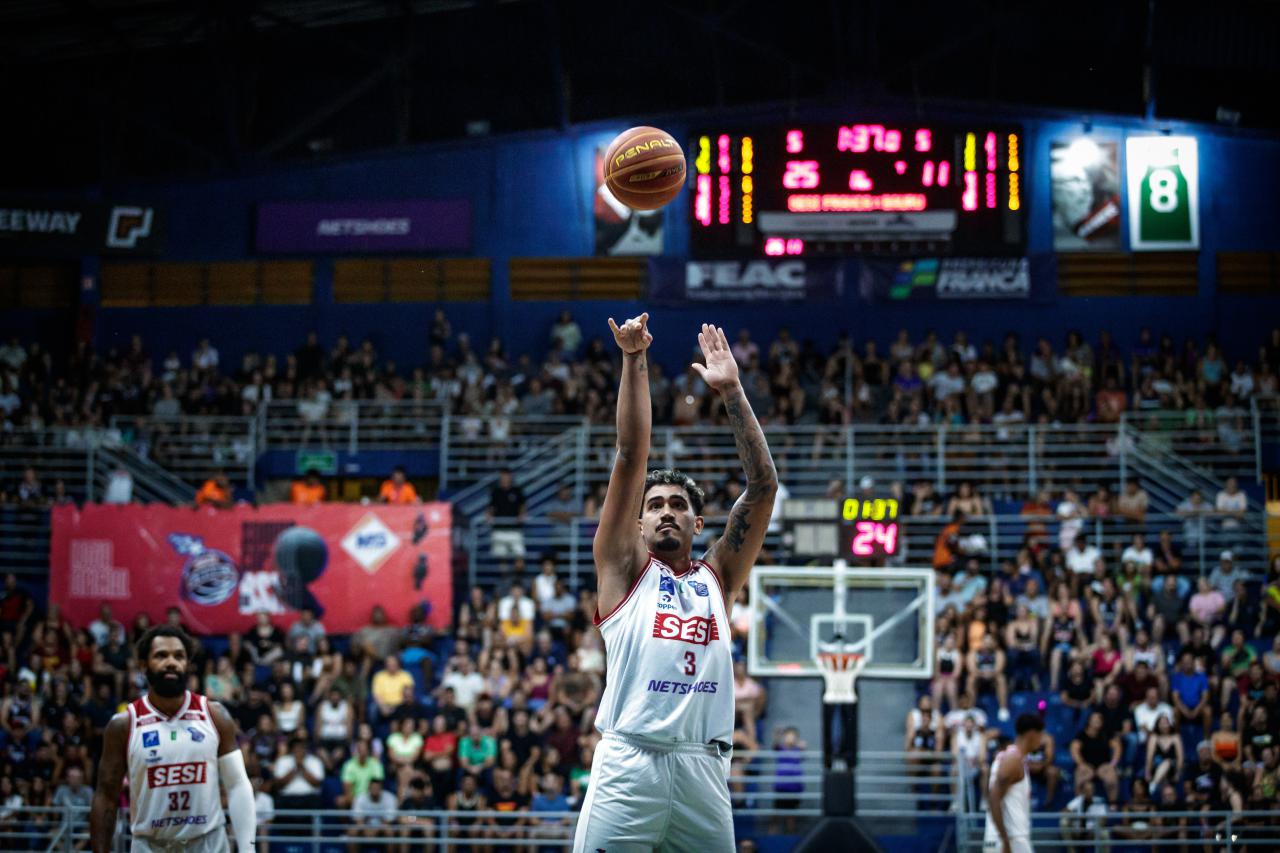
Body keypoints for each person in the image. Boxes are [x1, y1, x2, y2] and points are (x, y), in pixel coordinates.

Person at [572, 317, 777, 853]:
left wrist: (732, 389)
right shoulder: (622, 566)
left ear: (697, 525)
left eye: (679, 506)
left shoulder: (718, 576)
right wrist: (634, 359)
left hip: (703, 768)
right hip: (629, 765)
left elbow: (762, 486)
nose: (666, 512)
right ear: (637, 525)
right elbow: (630, 455)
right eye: (655, 505)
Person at [89, 625, 255, 853]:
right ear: (143, 665)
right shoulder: (124, 724)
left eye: (179, 656)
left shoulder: (215, 715)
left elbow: (237, 785)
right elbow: (106, 796)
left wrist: (249, 850)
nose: (171, 662)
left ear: (187, 665)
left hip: (208, 844)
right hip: (149, 845)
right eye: (161, 655)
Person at [983, 714, 1044, 853]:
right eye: (1040, 735)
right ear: (1032, 734)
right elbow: (993, 798)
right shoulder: (1012, 760)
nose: (1041, 741)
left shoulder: (1011, 758)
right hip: (1010, 839)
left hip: (1008, 838)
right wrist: (1005, 840)